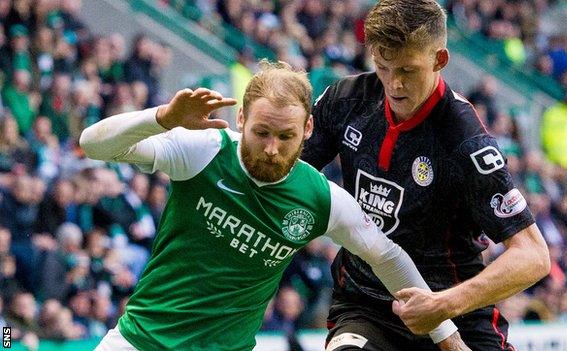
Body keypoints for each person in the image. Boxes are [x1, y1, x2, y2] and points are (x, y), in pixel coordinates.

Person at [80, 61, 466, 351]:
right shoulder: (204, 150)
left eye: (286, 136)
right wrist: (162, 118)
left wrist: (447, 335)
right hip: (137, 342)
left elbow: (388, 257)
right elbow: (93, 144)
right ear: (241, 118)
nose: (271, 148)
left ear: (308, 130)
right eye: (261, 132)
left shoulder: (321, 199)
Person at [300, 1, 551, 350]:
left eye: (408, 70)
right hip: (367, 307)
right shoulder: (346, 100)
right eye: (383, 67)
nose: (394, 83)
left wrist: (442, 305)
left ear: (439, 60)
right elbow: (280, 170)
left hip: (454, 311)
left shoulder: (465, 140)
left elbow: (533, 256)